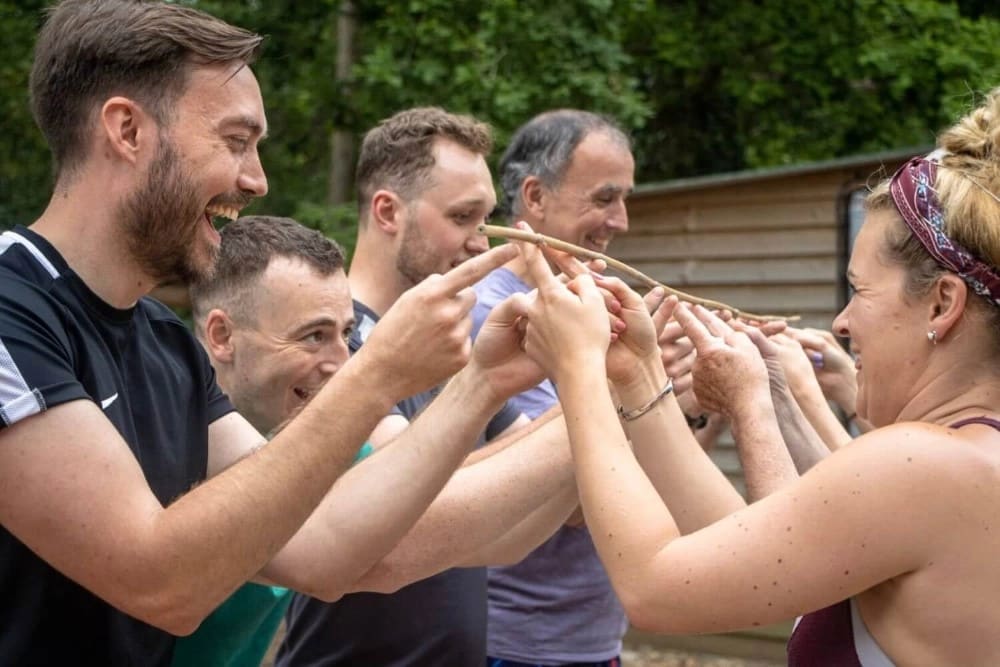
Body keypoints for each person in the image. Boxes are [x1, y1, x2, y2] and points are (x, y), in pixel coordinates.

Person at [0, 3, 528, 663]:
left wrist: (532, 381)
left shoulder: (164, 342)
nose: (257, 179)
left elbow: (325, 544)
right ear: (127, 129)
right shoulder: (11, 311)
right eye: (235, 140)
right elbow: (159, 579)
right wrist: (378, 372)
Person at [514, 89, 1000, 664]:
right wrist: (639, 378)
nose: (843, 322)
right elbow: (758, 548)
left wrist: (579, 371)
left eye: (860, 290)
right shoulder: (968, 458)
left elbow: (654, 586)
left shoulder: (924, 465)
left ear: (943, 303)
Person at [183, 215, 579, 666]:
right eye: (313, 336)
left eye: (346, 334)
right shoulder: (175, 431)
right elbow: (388, 554)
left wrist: (505, 385)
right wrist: (594, 395)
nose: (341, 361)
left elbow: (491, 537)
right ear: (221, 336)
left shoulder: (310, 443)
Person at [278, 108, 583, 666]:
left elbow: (518, 524)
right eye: (464, 217)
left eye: (488, 216)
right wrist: (589, 396)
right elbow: (422, 503)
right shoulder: (328, 345)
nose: (484, 241)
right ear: (388, 211)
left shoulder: (458, 343)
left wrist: (643, 396)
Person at [472, 109, 636, 667]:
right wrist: (637, 395)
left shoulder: (587, 307)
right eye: (605, 197)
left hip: (593, 640)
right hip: (517, 647)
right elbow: (569, 501)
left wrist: (686, 407)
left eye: (624, 199)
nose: (622, 221)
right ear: (535, 197)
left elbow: (643, 477)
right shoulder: (496, 315)